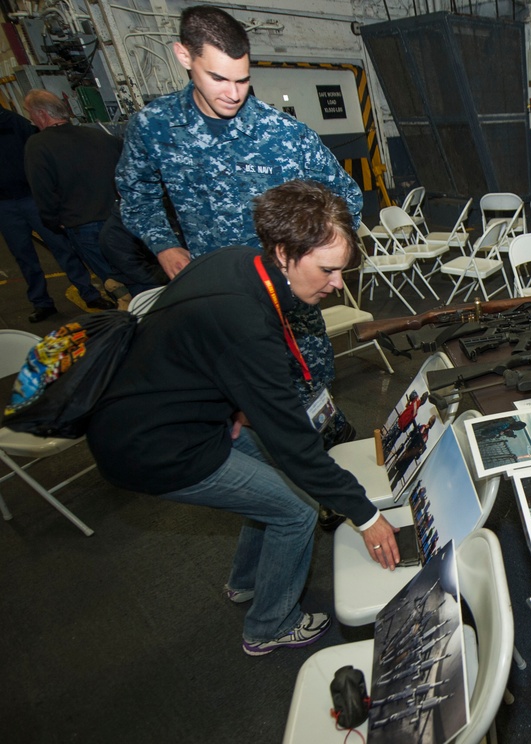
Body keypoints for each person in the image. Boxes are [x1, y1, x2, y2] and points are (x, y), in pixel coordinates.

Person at [87, 180, 399, 656]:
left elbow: (189, 342)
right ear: (283, 252)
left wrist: (230, 404)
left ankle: (247, 581)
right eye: (329, 270)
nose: (338, 284)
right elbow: (296, 445)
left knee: (272, 483)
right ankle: (269, 625)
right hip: (154, 446)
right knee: (296, 510)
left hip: (165, 411)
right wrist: (367, 516)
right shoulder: (248, 326)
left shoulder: (235, 261)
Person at [115, 5, 365, 513]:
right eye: (218, 78)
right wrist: (163, 244)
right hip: (219, 307)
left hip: (291, 309)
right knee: (241, 419)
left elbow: (346, 198)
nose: (233, 92)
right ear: (184, 56)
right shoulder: (154, 127)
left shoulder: (284, 134)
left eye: (244, 79)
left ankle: (331, 505)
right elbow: (133, 194)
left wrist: (313, 255)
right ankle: (287, 507)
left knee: (308, 402)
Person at [0, 105, 114, 322]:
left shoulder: (16, 124)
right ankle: (41, 302)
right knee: (23, 256)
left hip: (31, 198)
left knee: (62, 247)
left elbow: (37, 158)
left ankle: (89, 293)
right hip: (4, 205)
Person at [22, 89, 121, 285]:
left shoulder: (38, 145)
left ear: (42, 114)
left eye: (30, 113)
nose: (31, 120)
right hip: (119, 219)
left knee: (114, 283)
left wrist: (52, 221)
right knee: (136, 275)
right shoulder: (100, 137)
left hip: (82, 225)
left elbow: (43, 190)